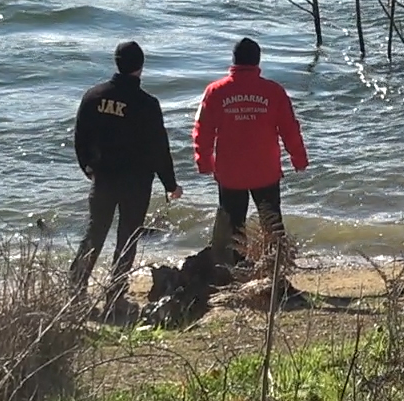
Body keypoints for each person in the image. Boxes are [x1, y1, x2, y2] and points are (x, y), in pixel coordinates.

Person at [71, 41, 181, 321]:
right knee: (127, 239)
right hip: (136, 184)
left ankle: (75, 290)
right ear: (141, 66)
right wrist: (170, 185)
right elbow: (159, 149)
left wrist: (87, 167)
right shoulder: (146, 104)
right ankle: (115, 296)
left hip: (103, 179)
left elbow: (80, 136)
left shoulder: (93, 97)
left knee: (95, 234)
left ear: (116, 63)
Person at [193, 37, 308, 268]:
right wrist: (299, 158)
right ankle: (276, 270)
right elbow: (290, 128)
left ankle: (238, 270)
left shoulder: (215, 91)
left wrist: (204, 162)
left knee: (235, 228)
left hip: (230, 173)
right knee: (272, 223)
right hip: (265, 171)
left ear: (234, 61)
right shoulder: (273, 91)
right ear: (258, 61)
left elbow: (202, 130)